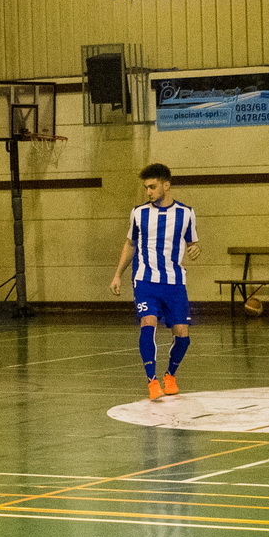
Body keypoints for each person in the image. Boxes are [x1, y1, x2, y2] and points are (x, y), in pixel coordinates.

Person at [111, 163, 198, 400]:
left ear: (166, 185)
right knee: (148, 323)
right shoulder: (139, 213)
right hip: (145, 281)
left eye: (152, 187)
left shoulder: (186, 213)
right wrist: (118, 274)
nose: (148, 192)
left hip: (174, 283)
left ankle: (170, 375)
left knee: (182, 335)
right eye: (146, 188)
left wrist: (195, 249)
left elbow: (193, 242)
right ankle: (152, 381)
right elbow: (130, 244)